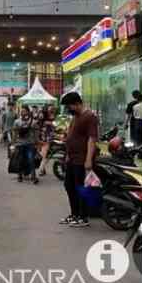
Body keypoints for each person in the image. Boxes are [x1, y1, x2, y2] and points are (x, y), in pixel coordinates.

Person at [59, 92, 99, 228]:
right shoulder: (76, 117)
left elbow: (92, 139)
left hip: (81, 159)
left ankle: (83, 217)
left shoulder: (90, 117)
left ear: (76, 103)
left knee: (80, 188)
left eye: (69, 106)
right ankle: (74, 214)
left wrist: (88, 160)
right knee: (69, 186)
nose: (68, 109)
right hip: (72, 158)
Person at [13, 106, 40, 184]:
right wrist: (13, 144)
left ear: (28, 112)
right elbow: (14, 133)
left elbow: (36, 134)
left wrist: (37, 144)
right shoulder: (17, 122)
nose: (22, 113)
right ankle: (19, 175)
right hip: (19, 144)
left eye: (24, 111)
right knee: (20, 160)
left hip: (30, 144)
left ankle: (33, 177)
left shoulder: (34, 122)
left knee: (31, 159)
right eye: (21, 111)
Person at [37, 105, 57, 176]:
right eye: (51, 108)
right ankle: (40, 170)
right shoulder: (44, 116)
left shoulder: (50, 115)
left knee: (45, 154)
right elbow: (43, 123)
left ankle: (42, 169)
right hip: (45, 137)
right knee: (44, 155)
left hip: (47, 137)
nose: (52, 109)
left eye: (53, 109)